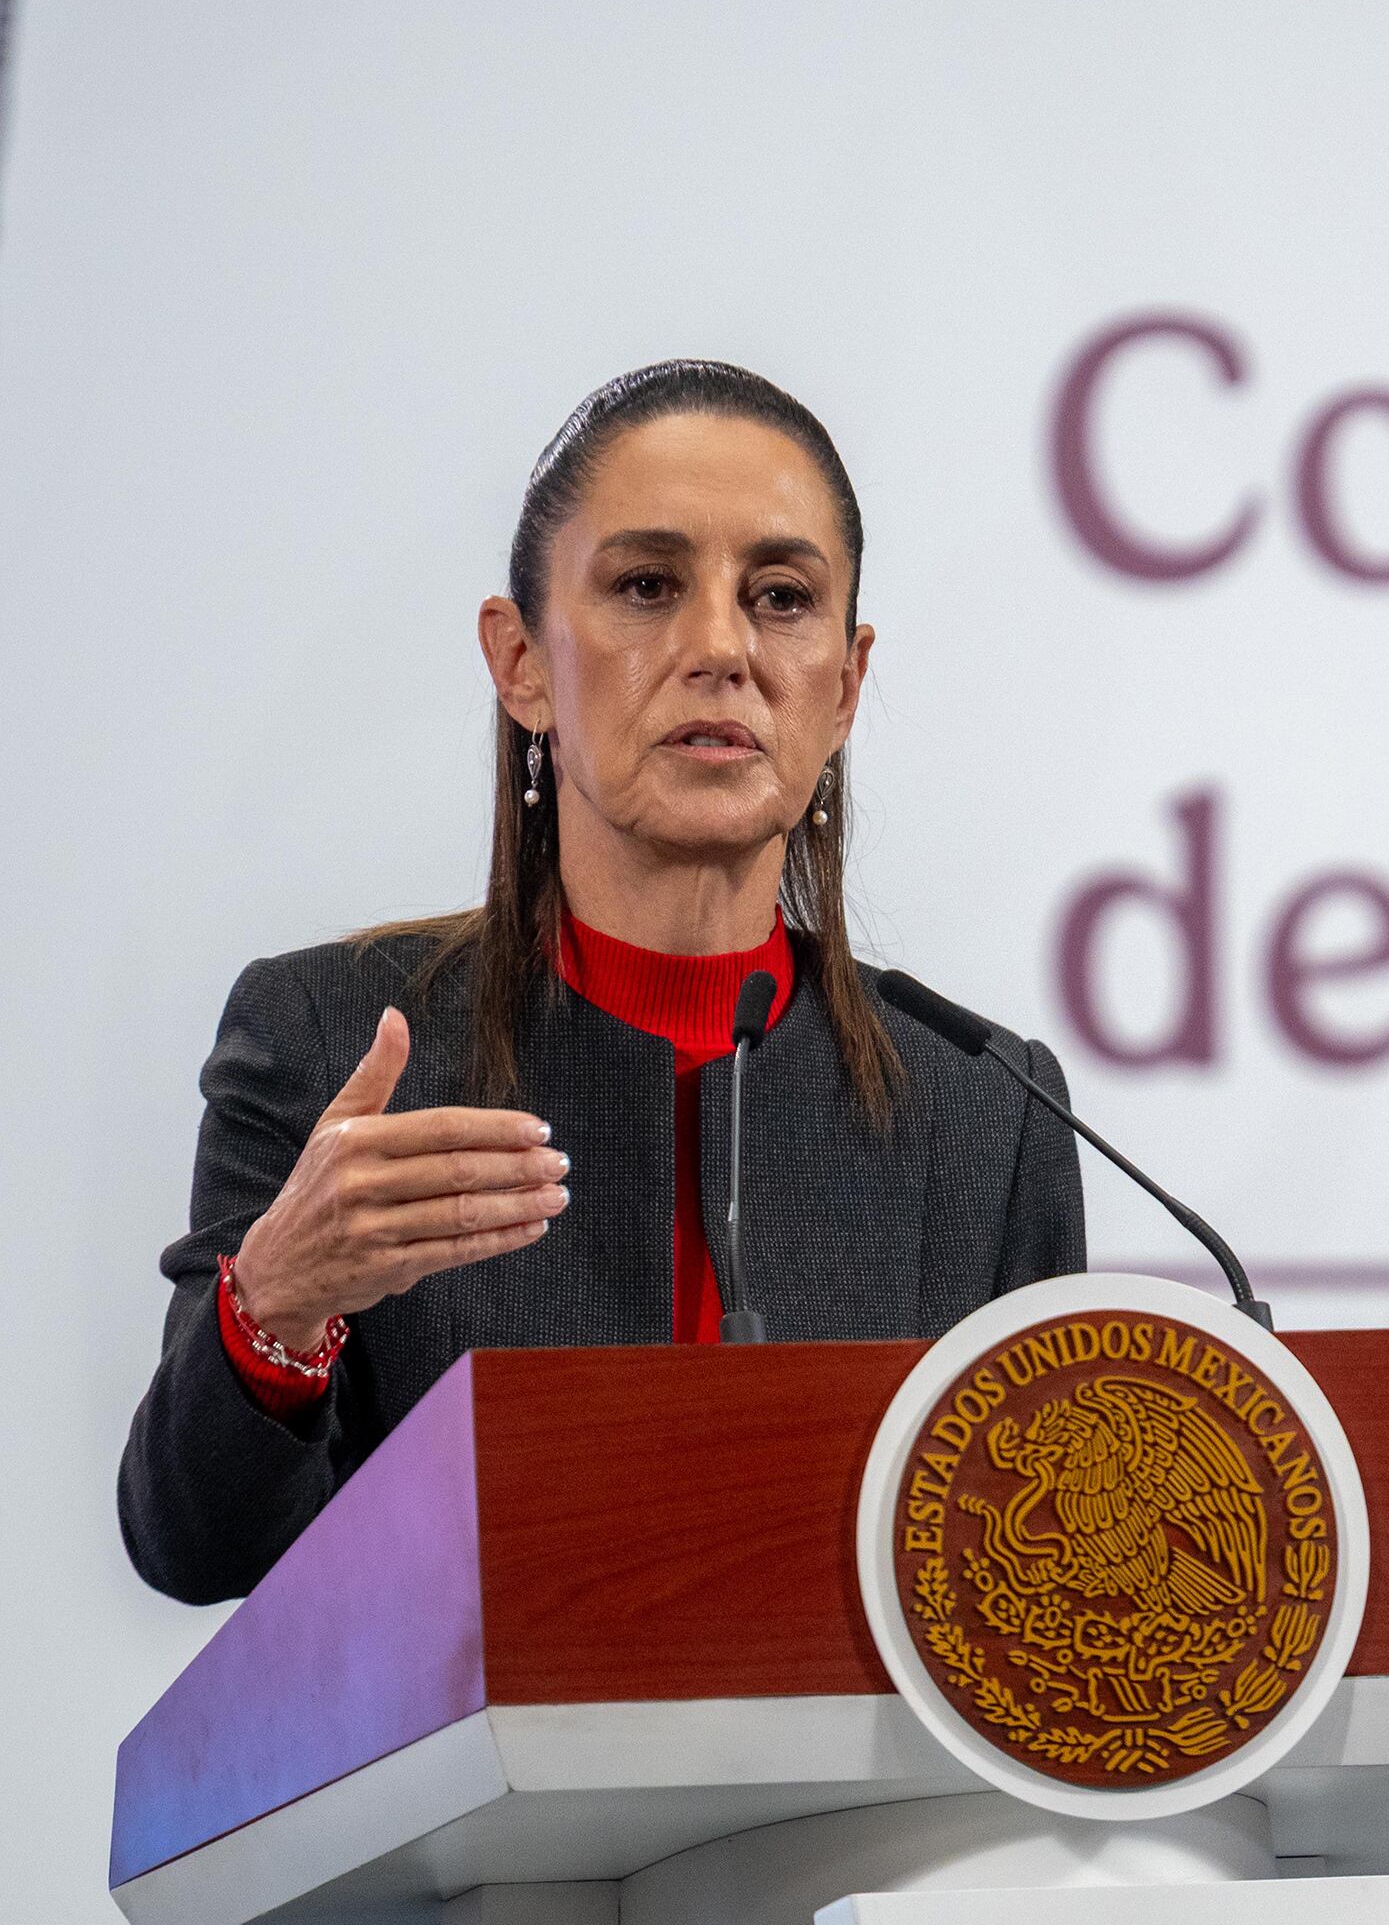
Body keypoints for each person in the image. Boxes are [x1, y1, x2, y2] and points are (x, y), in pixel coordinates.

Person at [119, 361, 1084, 1604]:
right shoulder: (326, 1042)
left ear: (843, 686)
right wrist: (280, 1302)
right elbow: (195, 1549)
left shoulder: (986, 1109)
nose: (722, 648)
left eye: (781, 597)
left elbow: (1044, 1589)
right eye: (646, 586)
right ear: (522, 662)